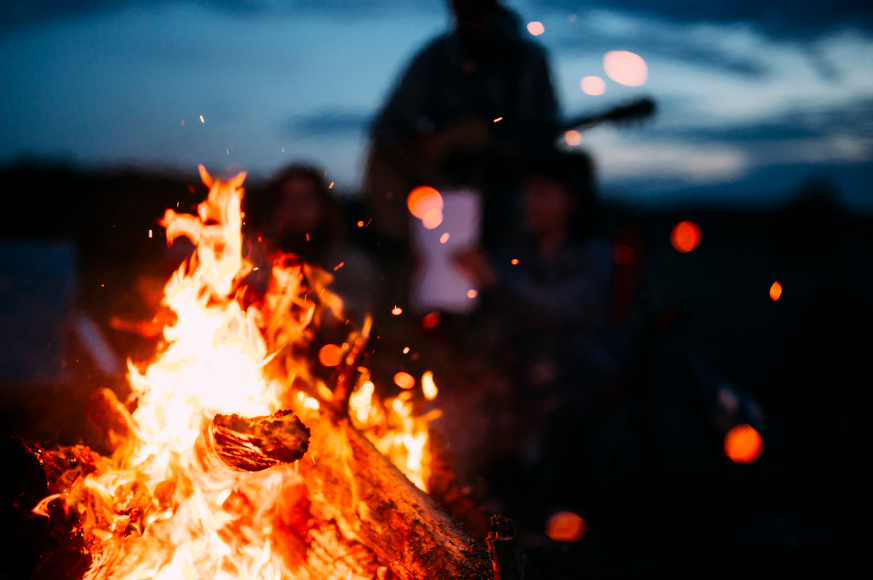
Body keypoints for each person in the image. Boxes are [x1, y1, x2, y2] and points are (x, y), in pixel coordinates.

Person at [454, 151, 628, 520]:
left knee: (546, 373)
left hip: (583, 361)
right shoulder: (518, 252)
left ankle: (557, 502)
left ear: (572, 199)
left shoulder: (593, 253)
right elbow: (488, 300)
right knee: (491, 381)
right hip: (524, 360)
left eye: (541, 193)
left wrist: (496, 281)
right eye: (527, 193)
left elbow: (563, 311)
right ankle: (500, 492)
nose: (528, 203)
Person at [365, 0, 559, 247]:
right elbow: (387, 129)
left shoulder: (528, 60)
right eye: (461, 14)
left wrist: (517, 154)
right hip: (451, 204)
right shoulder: (435, 59)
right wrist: (431, 180)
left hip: (509, 198)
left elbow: (545, 133)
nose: (470, 24)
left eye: (476, 12)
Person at [260, 164, 380, 327]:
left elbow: (361, 323)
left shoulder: (351, 266)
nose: (297, 208)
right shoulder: (251, 264)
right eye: (288, 198)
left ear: (323, 206)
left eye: (306, 199)